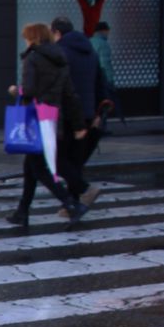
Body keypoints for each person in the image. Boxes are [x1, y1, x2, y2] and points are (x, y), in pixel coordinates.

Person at [6, 22, 89, 228]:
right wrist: (79, 123)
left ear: (33, 38)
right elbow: (70, 94)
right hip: (52, 117)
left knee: (38, 167)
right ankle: (22, 211)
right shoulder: (60, 59)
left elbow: (30, 89)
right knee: (30, 167)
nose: (25, 41)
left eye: (26, 37)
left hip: (34, 118)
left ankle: (71, 204)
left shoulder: (32, 58)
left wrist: (16, 91)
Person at [50, 16, 106, 212]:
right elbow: (100, 82)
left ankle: (84, 190)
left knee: (56, 159)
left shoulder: (60, 53)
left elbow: (59, 86)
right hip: (88, 114)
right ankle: (72, 205)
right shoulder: (90, 52)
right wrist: (98, 111)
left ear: (57, 33)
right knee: (75, 160)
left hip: (67, 114)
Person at [91, 22, 124, 128]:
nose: (108, 33)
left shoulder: (89, 41)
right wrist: (110, 80)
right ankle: (102, 127)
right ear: (104, 31)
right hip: (103, 78)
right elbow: (105, 64)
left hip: (92, 78)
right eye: (108, 31)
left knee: (95, 104)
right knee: (105, 104)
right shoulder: (103, 44)